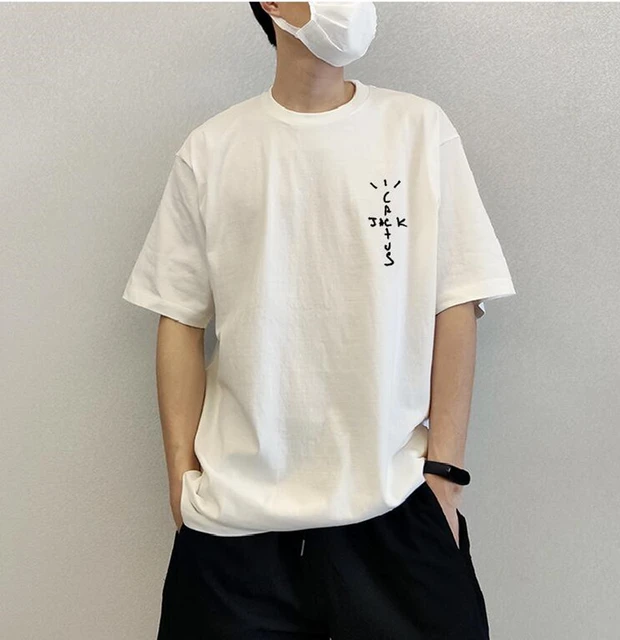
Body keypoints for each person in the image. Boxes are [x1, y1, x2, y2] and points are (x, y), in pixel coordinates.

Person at [121, 2, 516, 638]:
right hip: (236, 526)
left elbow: (458, 302)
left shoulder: (419, 130)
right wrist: (182, 480)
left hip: (392, 505)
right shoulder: (212, 149)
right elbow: (179, 318)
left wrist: (444, 477)